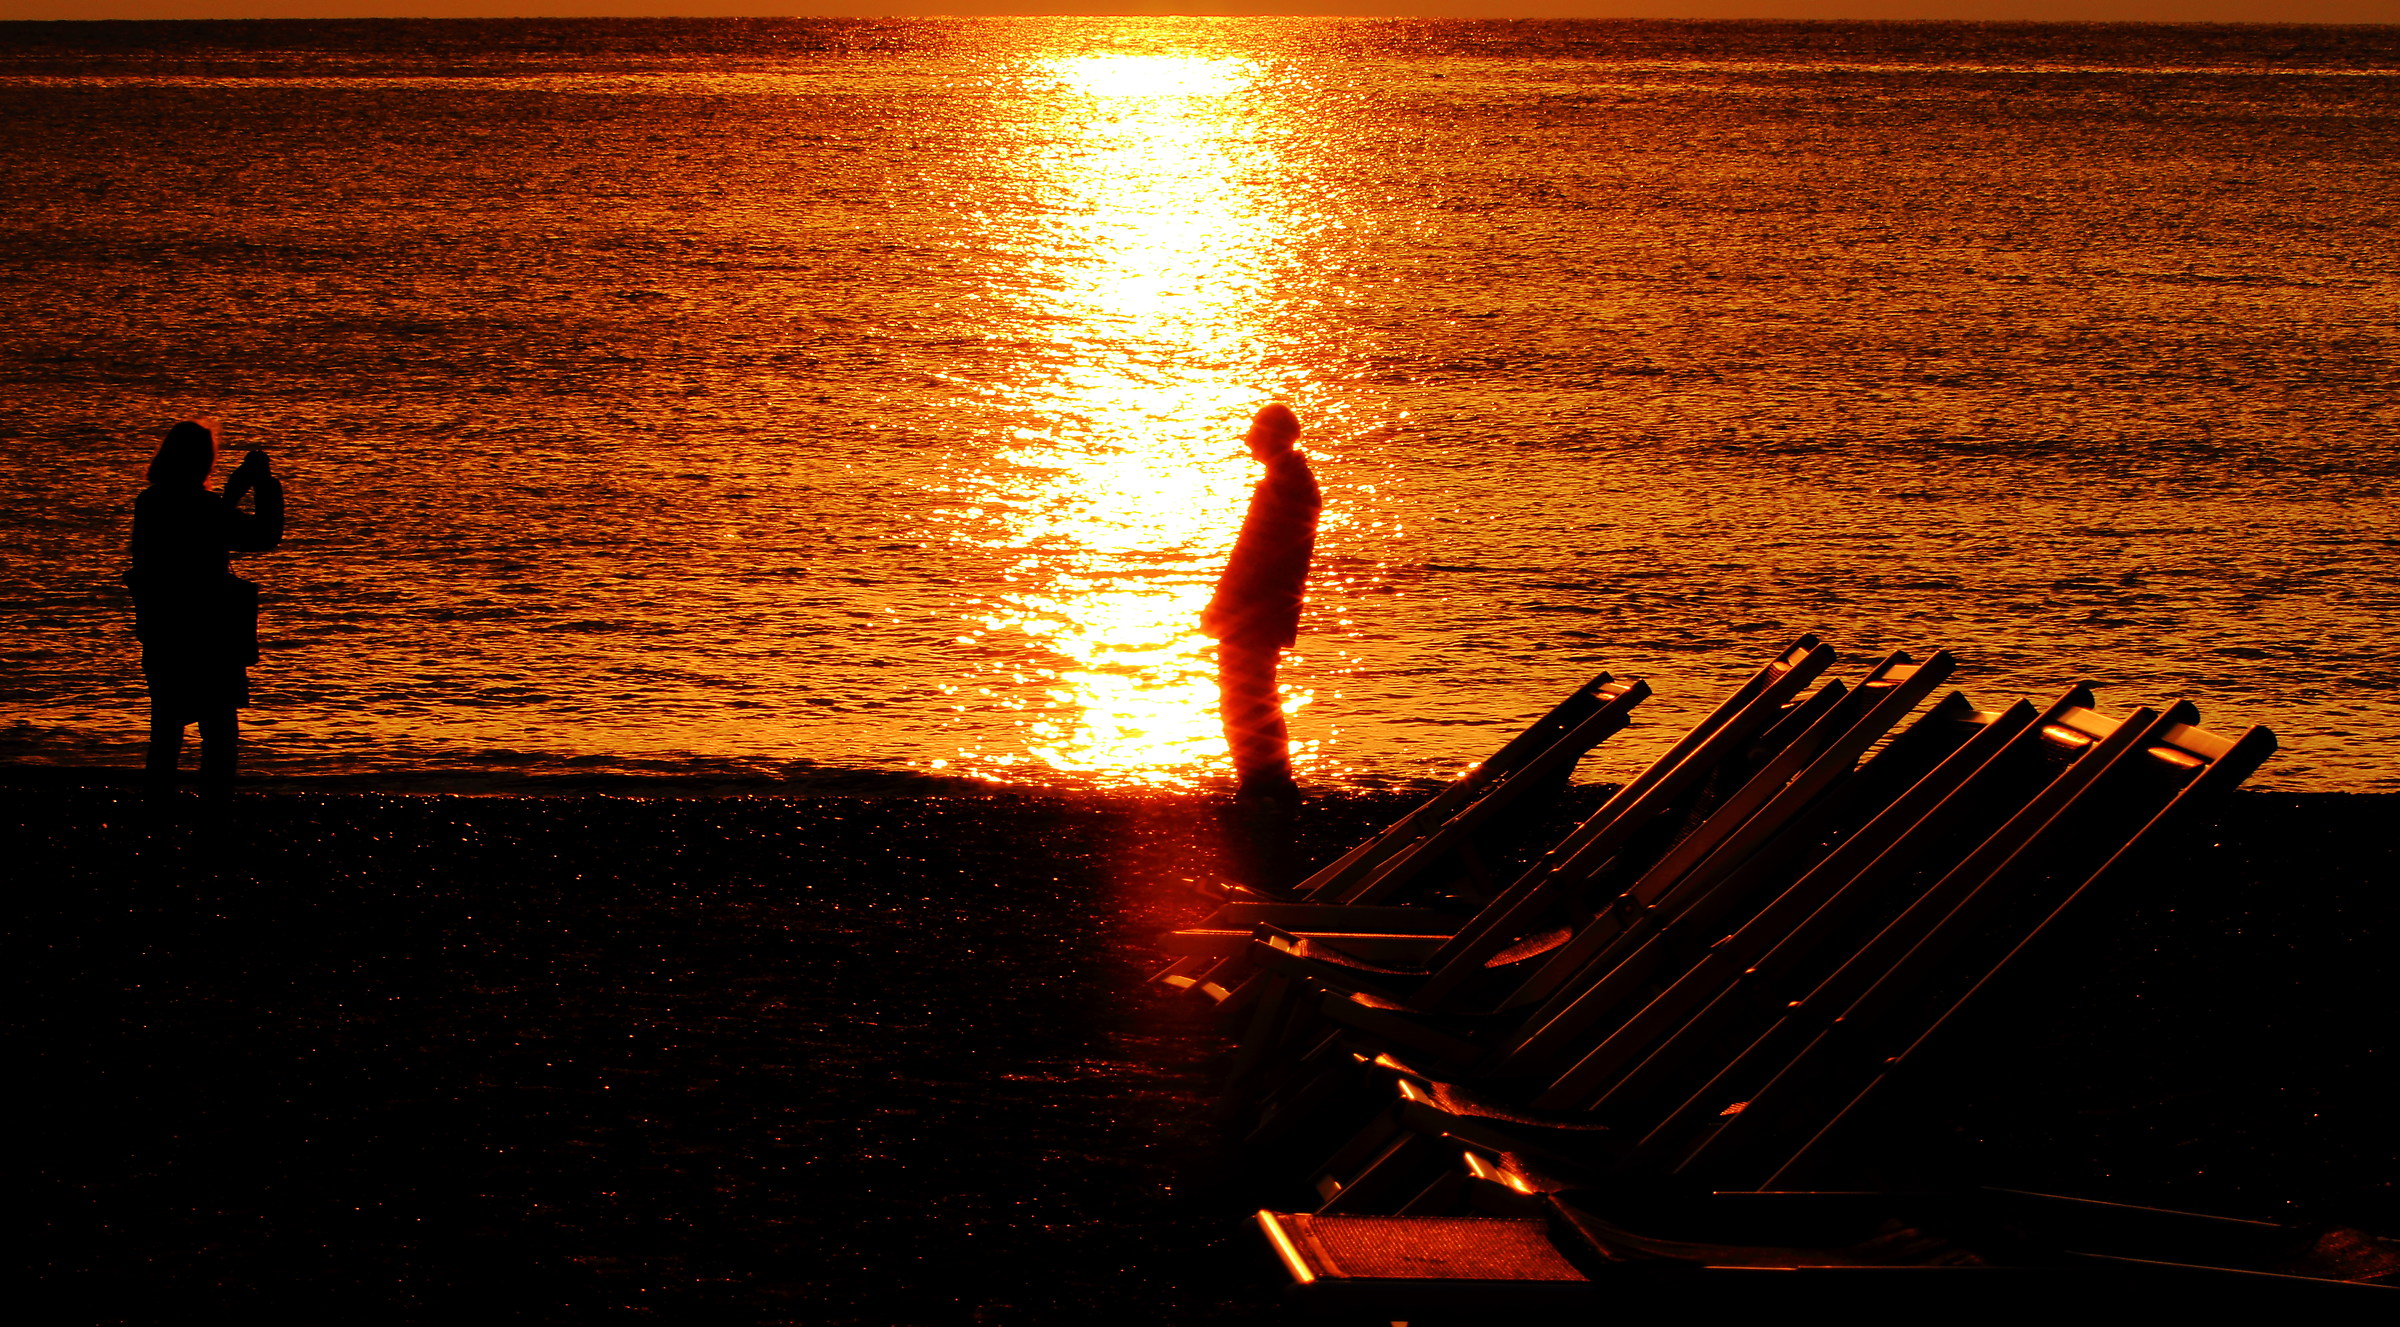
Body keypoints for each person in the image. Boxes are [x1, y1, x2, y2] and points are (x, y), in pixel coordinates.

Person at [126, 418, 284, 791]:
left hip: (164, 632)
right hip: (210, 636)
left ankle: (158, 814)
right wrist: (262, 484)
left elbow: (201, 530)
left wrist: (231, 495)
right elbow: (264, 535)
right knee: (219, 732)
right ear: (202, 463)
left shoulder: (150, 502)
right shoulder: (202, 507)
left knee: (166, 730)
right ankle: (213, 814)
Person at [1200, 403, 1320, 808]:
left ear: (1273, 437)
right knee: (1253, 695)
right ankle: (1266, 780)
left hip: (1255, 612)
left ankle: (1264, 782)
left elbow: (1253, 556)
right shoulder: (1292, 482)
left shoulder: (1283, 486)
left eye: (1256, 432)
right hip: (1265, 609)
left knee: (1245, 696)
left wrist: (1223, 606)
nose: (1249, 441)